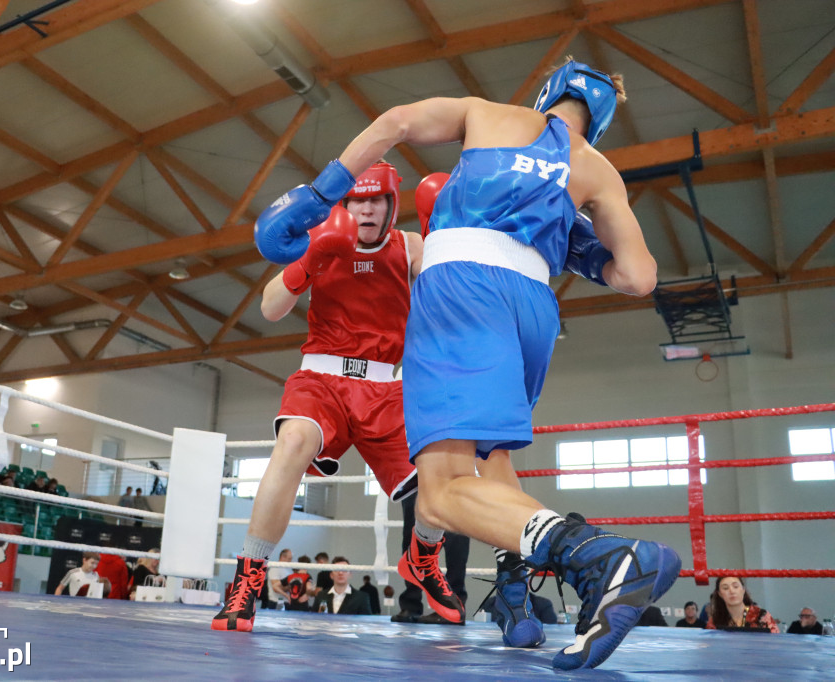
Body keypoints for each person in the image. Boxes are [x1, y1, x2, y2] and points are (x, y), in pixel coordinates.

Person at [250, 57, 679, 670]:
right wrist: (578, 246)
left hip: (463, 290)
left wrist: (322, 195)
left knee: (439, 496)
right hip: (533, 306)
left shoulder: (490, 113)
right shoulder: (597, 168)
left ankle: (599, 555)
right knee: (490, 461)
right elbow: (638, 277)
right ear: (601, 119)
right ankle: (529, 585)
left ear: (547, 90)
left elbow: (396, 121)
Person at [214, 160, 430, 633]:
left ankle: (428, 559)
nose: (367, 210)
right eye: (358, 200)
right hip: (321, 379)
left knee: (440, 476)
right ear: (344, 204)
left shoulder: (411, 245)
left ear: (392, 204)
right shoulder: (320, 239)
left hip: (384, 386)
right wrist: (312, 256)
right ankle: (247, 581)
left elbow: (457, 293)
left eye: (376, 200)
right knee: (291, 443)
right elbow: (270, 309)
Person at [393, 492, 469, 624]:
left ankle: (453, 600)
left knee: (456, 534)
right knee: (414, 529)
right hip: (417, 475)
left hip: (457, 479)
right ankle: (411, 605)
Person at [705, 576, 778, 633]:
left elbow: (776, 642)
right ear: (720, 594)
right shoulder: (714, 621)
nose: (732, 591)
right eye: (725, 588)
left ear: (743, 590)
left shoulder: (762, 615)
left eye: (736, 587)